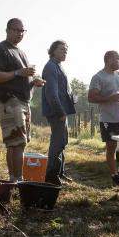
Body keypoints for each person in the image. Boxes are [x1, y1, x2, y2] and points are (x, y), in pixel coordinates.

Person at [0, 19, 45, 182]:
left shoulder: (21, 52)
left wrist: (33, 82)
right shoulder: (0, 50)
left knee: (18, 143)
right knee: (17, 143)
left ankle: (13, 180)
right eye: (16, 30)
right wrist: (18, 72)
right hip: (9, 101)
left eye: (22, 31)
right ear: (7, 30)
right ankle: (17, 181)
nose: (20, 33)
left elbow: (21, 80)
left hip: (22, 101)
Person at [88, 50, 119, 187]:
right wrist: (109, 99)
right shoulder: (98, 77)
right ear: (108, 60)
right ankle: (114, 176)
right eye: (118, 59)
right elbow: (91, 97)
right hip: (108, 118)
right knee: (111, 147)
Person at [42, 40, 76, 185]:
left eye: (66, 49)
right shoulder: (50, 67)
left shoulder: (58, 66)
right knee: (58, 142)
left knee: (62, 141)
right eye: (62, 49)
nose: (65, 52)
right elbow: (51, 93)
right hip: (57, 111)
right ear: (53, 50)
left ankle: (59, 172)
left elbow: (62, 91)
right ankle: (51, 176)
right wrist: (60, 111)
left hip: (62, 110)